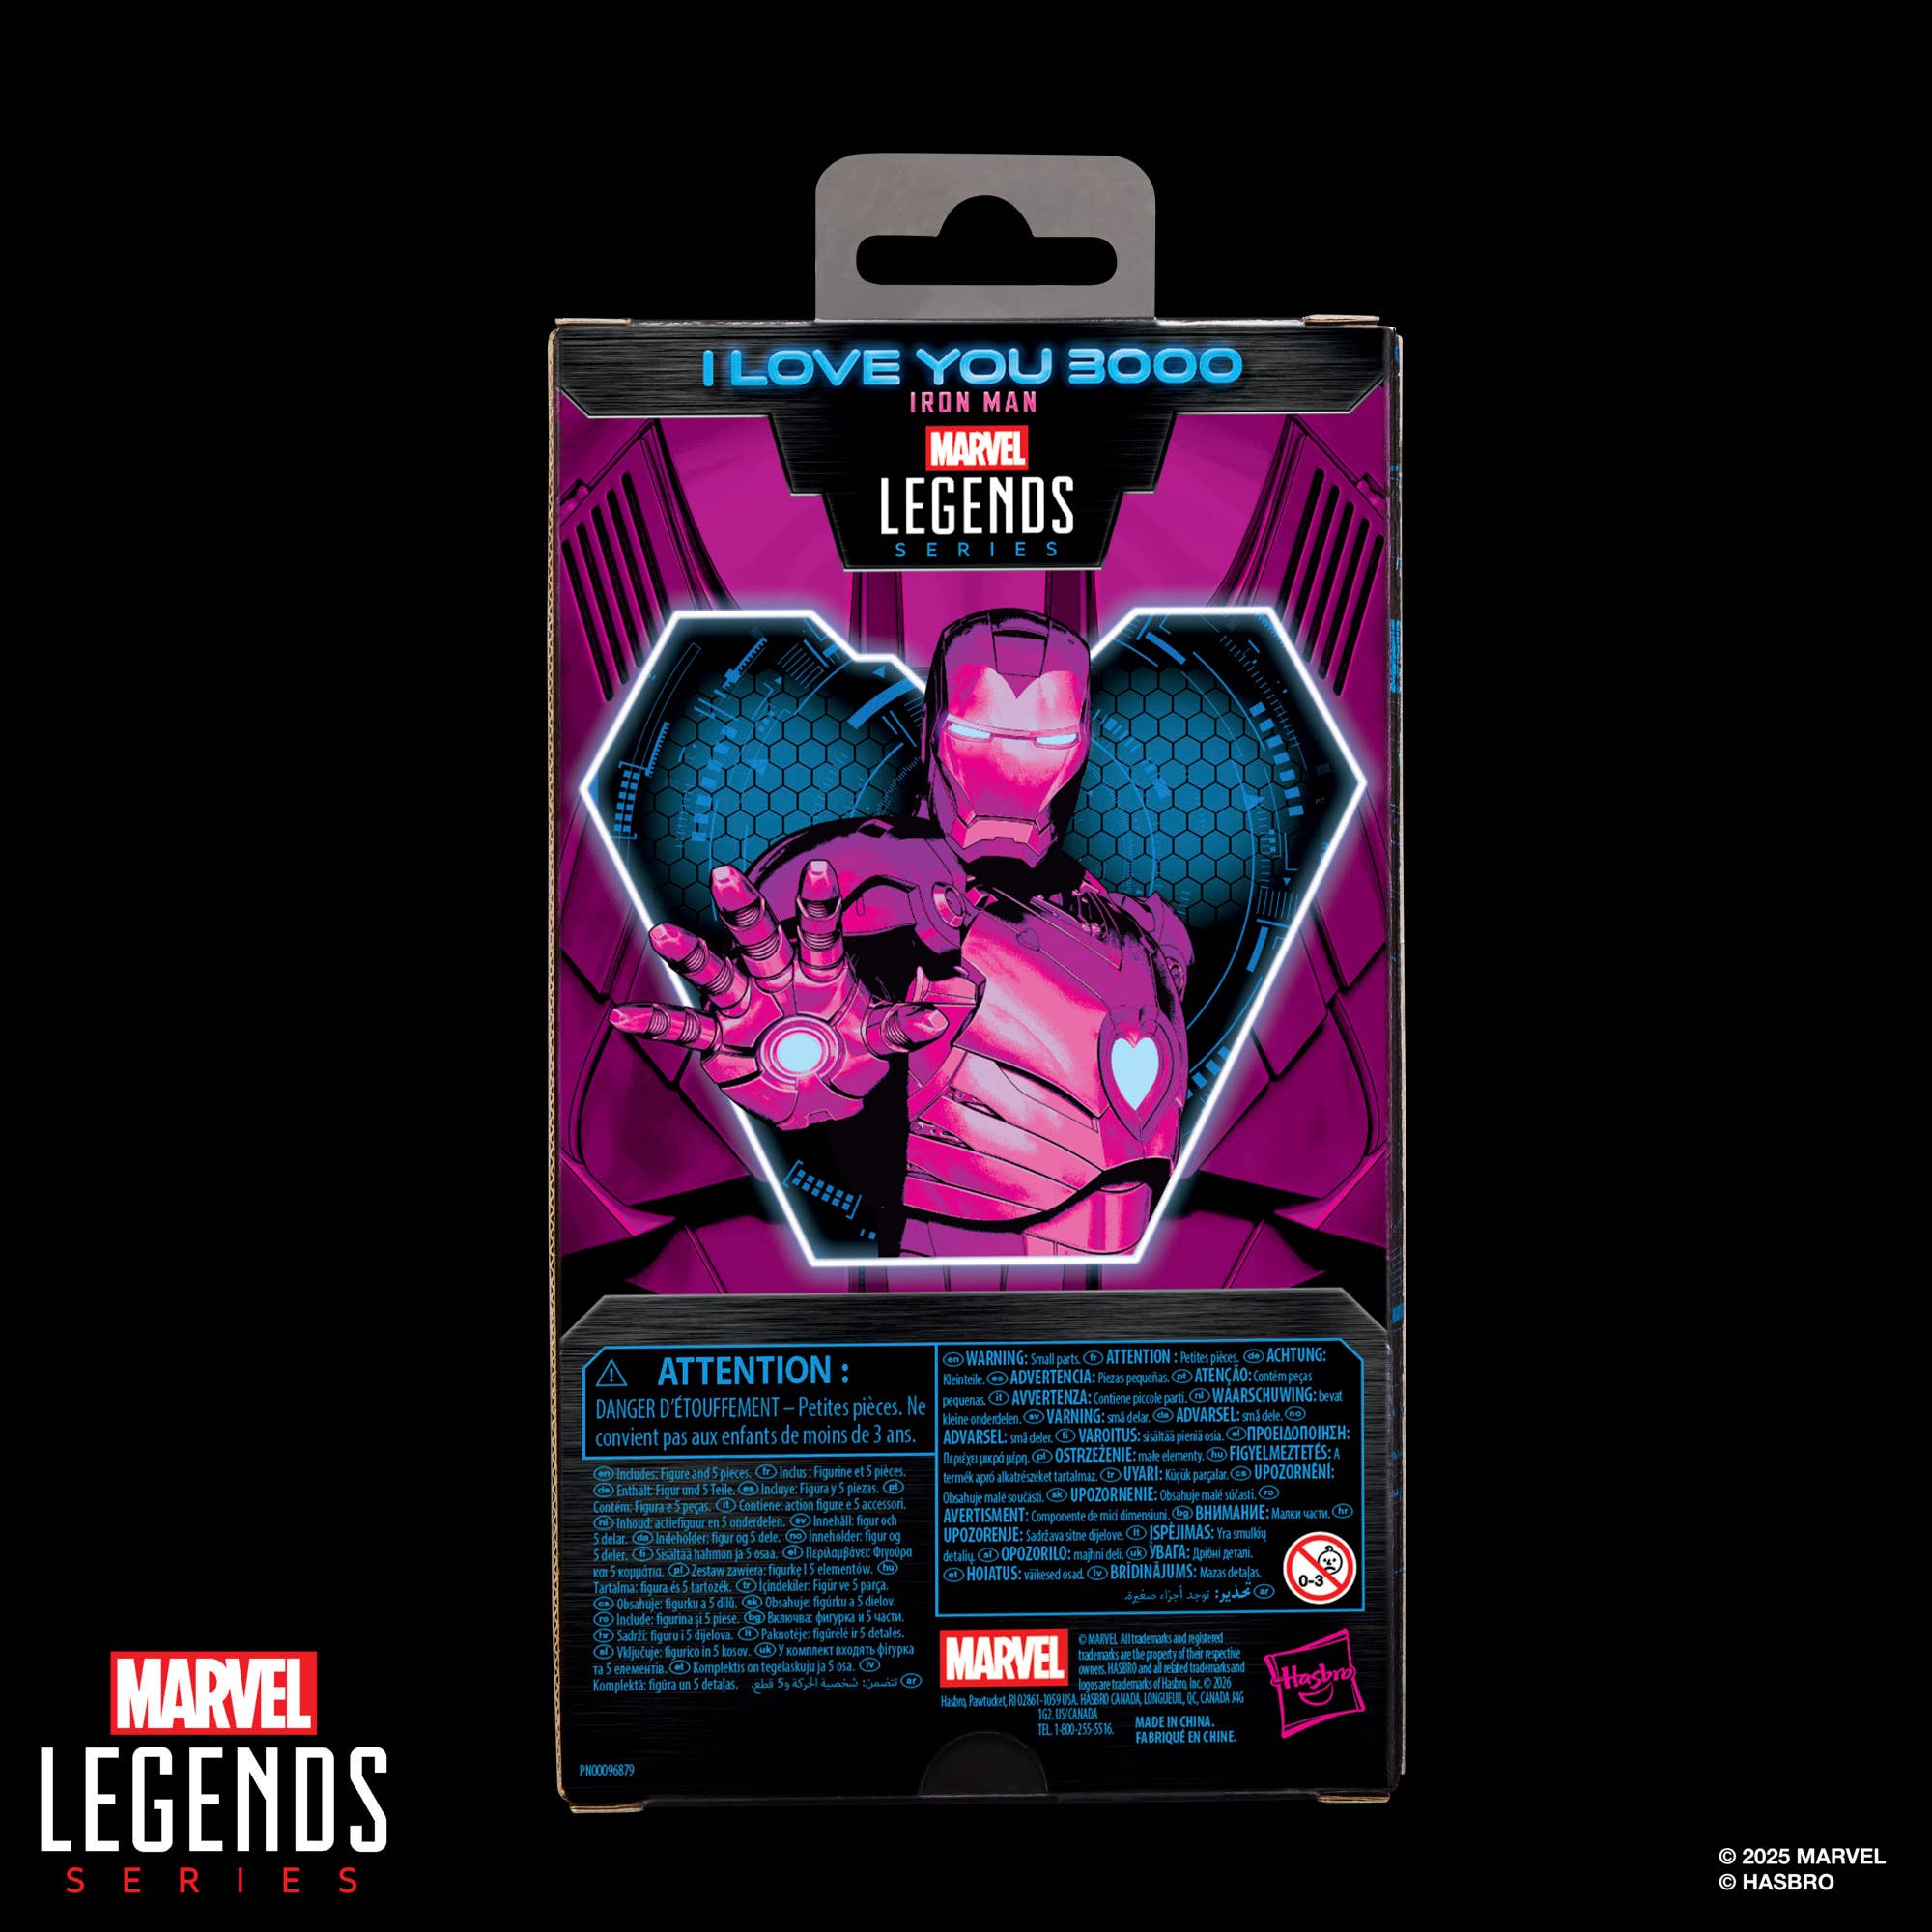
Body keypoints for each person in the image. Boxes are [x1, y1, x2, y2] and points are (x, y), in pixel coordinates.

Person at [611, 609, 1191, 1261]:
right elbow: (787, 982)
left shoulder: (1133, 926)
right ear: (932, 731)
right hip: (949, 1269)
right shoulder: (869, 875)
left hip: (1110, 1295)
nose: (1012, 760)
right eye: (977, 731)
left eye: (1048, 737)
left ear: (1081, 741)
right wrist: (794, 1047)